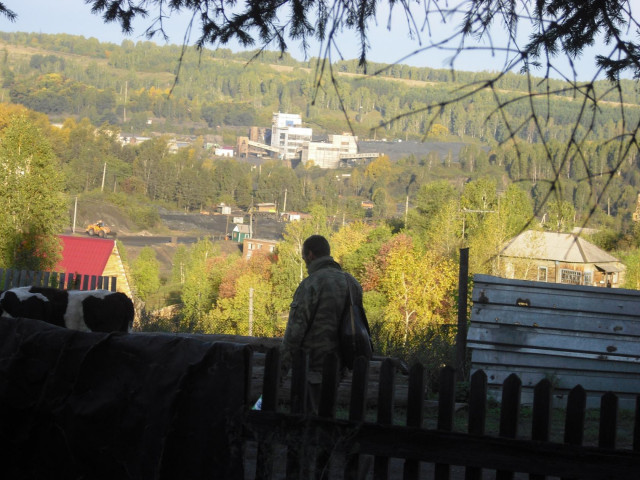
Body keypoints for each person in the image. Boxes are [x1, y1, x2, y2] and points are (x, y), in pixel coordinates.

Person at [280, 234, 362, 413]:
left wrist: (280, 373)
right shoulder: (352, 283)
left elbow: (294, 333)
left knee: (308, 425)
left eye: (303, 259)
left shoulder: (311, 284)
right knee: (328, 424)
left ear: (310, 255)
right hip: (340, 371)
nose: (305, 263)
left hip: (312, 370)